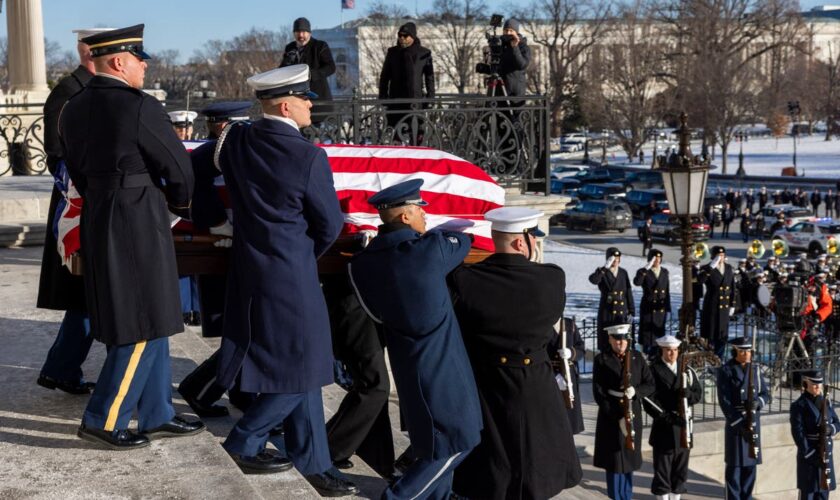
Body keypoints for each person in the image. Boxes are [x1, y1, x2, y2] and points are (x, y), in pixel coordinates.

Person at [213, 65, 357, 496]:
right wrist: (300, 255)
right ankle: (245, 440)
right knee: (305, 369)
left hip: (249, 268)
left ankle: (314, 462)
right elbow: (329, 224)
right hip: (290, 273)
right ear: (285, 104)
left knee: (303, 367)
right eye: (305, 98)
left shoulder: (237, 141)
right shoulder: (308, 157)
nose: (311, 104)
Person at [61, 24, 204, 449]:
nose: (144, 66)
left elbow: (77, 171)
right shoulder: (139, 106)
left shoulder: (74, 106)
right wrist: (177, 207)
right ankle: (104, 419)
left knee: (153, 314)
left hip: (101, 212)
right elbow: (180, 170)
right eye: (140, 59)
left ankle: (157, 411)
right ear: (119, 62)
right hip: (138, 216)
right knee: (140, 320)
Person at [349, 179, 482, 500]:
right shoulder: (428, 250)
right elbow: (462, 240)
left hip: (406, 360)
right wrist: (440, 233)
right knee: (457, 441)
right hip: (442, 365)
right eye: (421, 210)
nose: (426, 216)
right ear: (406, 216)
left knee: (435, 439)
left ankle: (440, 496)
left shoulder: (362, 264)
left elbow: (375, 314)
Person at [449, 207, 582, 499]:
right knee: (538, 467)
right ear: (522, 242)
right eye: (534, 238)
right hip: (535, 383)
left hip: (488, 383)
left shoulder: (466, 280)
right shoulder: (551, 279)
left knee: (493, 468)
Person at [36, 27, 111, 396]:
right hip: (79, 202)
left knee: (86, 296)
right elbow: (56, 154)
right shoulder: (68, 92)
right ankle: (62, 368)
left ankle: (61, 368)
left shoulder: (87, 91)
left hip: (88, 199)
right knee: (85, 293)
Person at [176, 101, 254, 418]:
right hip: (229, 245)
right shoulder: (215, 153)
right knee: (245, 328)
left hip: (234, 243)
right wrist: (218, 222)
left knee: (243, 326)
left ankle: (241, 393)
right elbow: (197, 179)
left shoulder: (223, 150)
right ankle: (200, 390)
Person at [592, 324, 655, 500]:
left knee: (629, 458)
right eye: (617, 339)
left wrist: (636, 392)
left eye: (623, 339)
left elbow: (650, 384)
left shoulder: (637, 357)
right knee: (613, 461)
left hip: (632, 411)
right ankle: (615, 497)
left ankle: (627, 496)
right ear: (610, 339)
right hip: (611, 415)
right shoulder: (601, 360)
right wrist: (616, 416)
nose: (621, 343)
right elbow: (599, 393)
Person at [642, 335, 702, 500]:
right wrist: (667, 417)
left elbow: (698, 394)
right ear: (662, 350)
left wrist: (688, 394)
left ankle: (676, 497)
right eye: (669, 350)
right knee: (663, 468)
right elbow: (648, 400)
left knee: (680, 469)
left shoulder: (687, 370)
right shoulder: (653, 370)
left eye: (675, 350)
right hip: (664, 426)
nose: (672, 353)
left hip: (684, 426)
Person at [717, 337, 770, 500]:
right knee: (735, 468)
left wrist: (757, 403)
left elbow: (766, 394)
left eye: (748, 351)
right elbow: (725, 401)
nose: (747, 354)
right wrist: (740, 424)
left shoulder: (755, 369)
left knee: (750, 467)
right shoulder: (726, 370)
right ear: (735, 352)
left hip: (753, 421)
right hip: (737, 425)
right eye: (743, 351)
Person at [378, 22, 435, 130]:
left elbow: (429, 77)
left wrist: (430, 97)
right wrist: (383, 96)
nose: (402, 38)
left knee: (416, 134)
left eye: (405, 36)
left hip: (415, 101)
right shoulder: (392, 52)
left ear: (413, 36)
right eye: (400, 35)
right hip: (395, 101)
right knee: (395, 134)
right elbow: (384, 77)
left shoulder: (424, 53)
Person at [280, 17, 335, 119]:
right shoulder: (290, 48)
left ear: (309, 32)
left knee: (318, 132)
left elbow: (331, 67)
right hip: (296, 102)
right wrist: (286, 62)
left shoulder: (320, 46)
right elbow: (282, 70)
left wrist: (311, 75)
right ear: (294, 33)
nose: (301, 35)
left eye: (304, 32)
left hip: (318, 101)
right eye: (297, 32)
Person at [589, 247, 635, 352]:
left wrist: (631, 311)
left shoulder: (623, 272)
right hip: (607, 311)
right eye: (613, 259)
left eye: (617, 259)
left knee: (621, 340)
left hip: (621, 312)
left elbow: (628, 292)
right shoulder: (602, 272)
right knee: (607, 340)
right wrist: (605, 268)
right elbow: (594, 280)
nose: (615, 262)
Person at [549, 316, 586, 434]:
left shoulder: (570, 324)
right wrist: (554, 375)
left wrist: (571, 352)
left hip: (569, 375)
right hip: (548, 374)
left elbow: (581, 348)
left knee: (569, 416)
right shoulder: (542, 324)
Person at [698, 246, 736, 359]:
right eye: (718, 256)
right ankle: (711, 358)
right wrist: (711, 267)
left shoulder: (728, 268)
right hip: (712, 305)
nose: (721, 258)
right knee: (711, 333)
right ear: (713, 257)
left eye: (723, 256)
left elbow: (733, 287)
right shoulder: (707, 268)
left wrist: (732, 304)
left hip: (724, 307)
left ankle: (719, 358)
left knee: (722, 334)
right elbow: (700, 280)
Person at [633, 249, 670, 356]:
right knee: (647, 335)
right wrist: (645, 269)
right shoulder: (643, 271)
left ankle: (657, 355)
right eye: (655, 259)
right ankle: (647, 353)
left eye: (659, 259)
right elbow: (637, 282)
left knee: (659, 334)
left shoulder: (664, 271)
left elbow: (666, 290)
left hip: (660, 308)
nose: (657, 261)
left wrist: (667, 307)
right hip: (648, 307)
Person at [497, 19, 530, 100]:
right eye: (506, 30)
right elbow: (499, 68)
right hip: (499, 92)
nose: (508, 33)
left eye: (511, 30)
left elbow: (521, 65)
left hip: (515, 94)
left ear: (516, 32)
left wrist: (514, 47)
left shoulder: (523, 47)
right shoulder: (500, 46)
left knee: (515, 113)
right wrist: (485, 68)